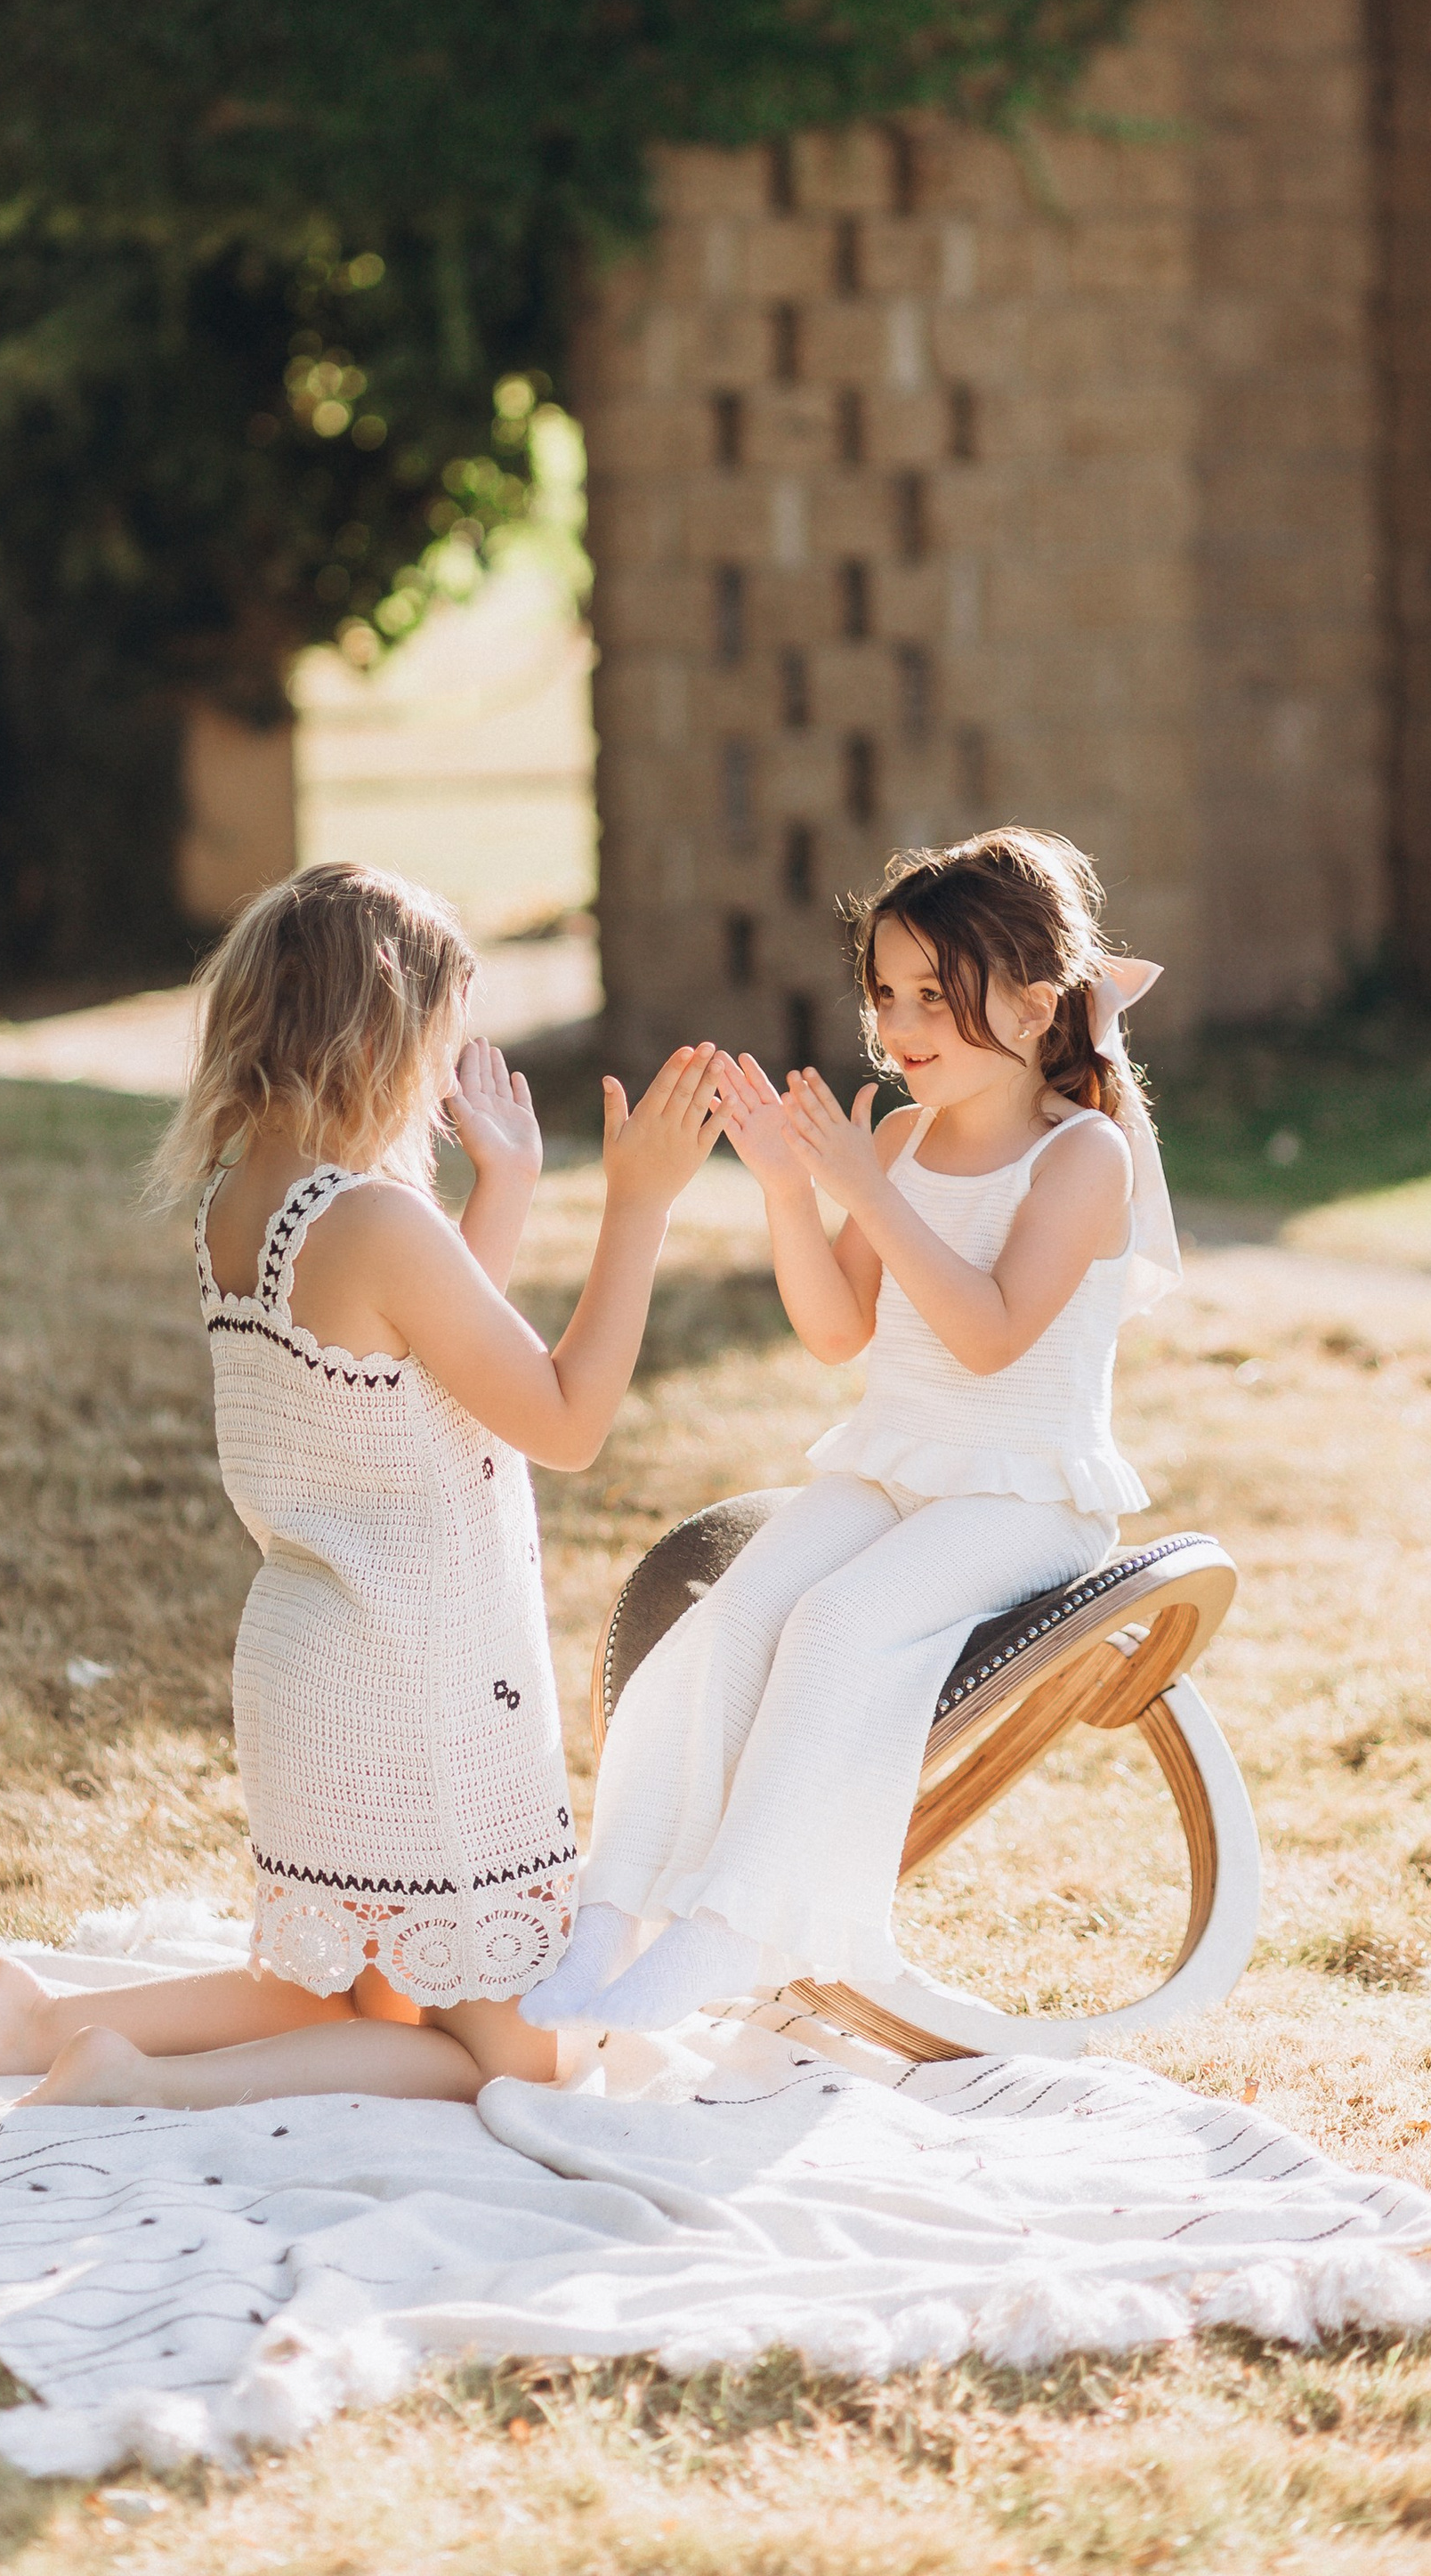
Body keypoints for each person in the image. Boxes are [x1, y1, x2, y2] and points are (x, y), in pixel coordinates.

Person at [0, 861, 725, 2110]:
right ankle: (146, 2084)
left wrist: (508, 1190)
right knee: (538, 2061)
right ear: (376, 1033)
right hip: (410, 1685)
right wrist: (638, 1205)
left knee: (345, 1990)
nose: (452, 1075)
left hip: (314, 1667)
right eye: (444, 1042)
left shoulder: (248, 1205)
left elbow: (422, 1372)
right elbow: (565, 1420)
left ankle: (33, 2016)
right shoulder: (378, 1223)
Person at [525, 825, 1178, 2040]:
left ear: (1038, 1009)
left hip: (1023, 1497)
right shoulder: (903, 1138)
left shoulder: (1081, 1155)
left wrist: (868, 1192)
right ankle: (614, 1912)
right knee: (730, 1623)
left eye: (936, 994)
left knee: (835, 1629)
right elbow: (836, 1331)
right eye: (885, 992)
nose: (901, 1022)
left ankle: (732, 1932)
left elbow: (989, 1336)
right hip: (895, 1463)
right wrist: (788, 1187)